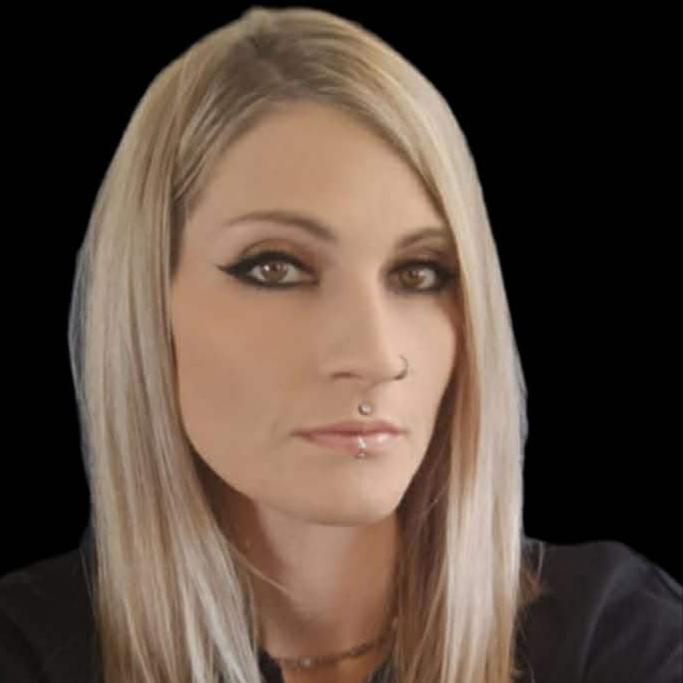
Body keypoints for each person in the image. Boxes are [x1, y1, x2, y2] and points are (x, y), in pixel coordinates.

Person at [1, 7, 680, 683]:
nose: (376, 357)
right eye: (275, 268)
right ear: (145, 305)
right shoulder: (24, 649)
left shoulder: (617, 637)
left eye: (419, 273)